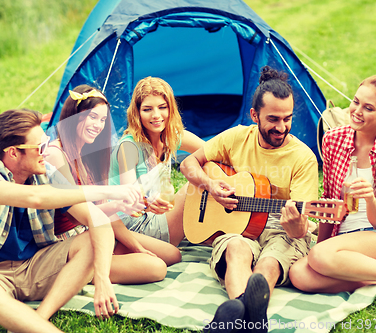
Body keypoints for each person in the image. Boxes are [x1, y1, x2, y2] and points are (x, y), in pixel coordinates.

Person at [0, 109, 143, 333]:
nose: (46, 152)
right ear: (13, 153)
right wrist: (113, 190)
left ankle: (39, 317)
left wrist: (102, 278)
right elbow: (36, 198)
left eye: (46, 142)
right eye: (39, 147)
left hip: (35, 265)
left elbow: (96, 218)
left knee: (94, 240)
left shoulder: (45, 171)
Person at [180, 66, 319, 333]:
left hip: (282, 228)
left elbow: (301, 229)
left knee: (269, 261)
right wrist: (210, 185)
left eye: (288, 118)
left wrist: (296, 225)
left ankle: (236, 316)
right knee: (236, 250)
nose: (282, 127)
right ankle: (254, 320)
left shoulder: (303, 158)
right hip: (237, 227)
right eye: (273, 119)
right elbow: (189, 162)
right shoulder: (236, 137)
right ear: (254, 114)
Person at [45, 85, 181, 284]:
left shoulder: (90, 153)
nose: (98, 126)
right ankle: (83, 270)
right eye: (92, 117)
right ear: (73, 116)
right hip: (71, 243)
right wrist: (118, 204)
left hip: (98, 230)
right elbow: (77, 209)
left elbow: (103, 211)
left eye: (102, 119)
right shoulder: (56, 154)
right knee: (156, 268)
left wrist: (136, 246)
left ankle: (111, 258)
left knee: (171, 254)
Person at [289, 75, 376, 293]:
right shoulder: (333, 140)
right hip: (345, 238)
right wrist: (321, 244)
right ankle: (372, 275)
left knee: (320, 256)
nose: (357, 111)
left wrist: (370, 199)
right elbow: (329, 200)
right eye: (356, 102)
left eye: (368, 108)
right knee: (298, 274)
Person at [109, 76, 204, 246]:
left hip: (159, 215)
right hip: (134, 225)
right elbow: (128, 196)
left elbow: (212, 150)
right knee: (196, 185)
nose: (156, 115)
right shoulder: (129, 147)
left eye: (162, 107)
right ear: (137, 113)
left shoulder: (171, 137)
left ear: (171, 109)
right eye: (147, 109)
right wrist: (146, 201)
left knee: (210, 169)